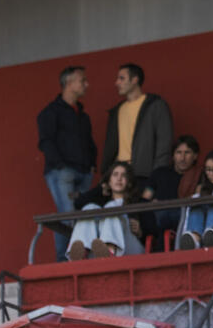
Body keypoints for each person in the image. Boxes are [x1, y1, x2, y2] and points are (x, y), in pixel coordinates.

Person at [38, 64, 97, 260]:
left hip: (84, 172)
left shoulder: (83, 115)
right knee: (67, 215)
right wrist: (60, 166)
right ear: (69, 83)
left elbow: (89, 142)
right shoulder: (51, 112)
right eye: (82, 80)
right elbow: (45, 141)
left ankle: (79, 260)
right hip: (63, 172)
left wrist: (91, 165)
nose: (87, 84)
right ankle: (65, 263)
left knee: (80, 216)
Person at [100, 62, 173, 182]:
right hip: (118, 174)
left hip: (143, 174)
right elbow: (110, 148)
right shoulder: (117, 110)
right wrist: (106, 174)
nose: (117, 83)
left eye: (121, 78)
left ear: (135, 80)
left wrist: (157, 177)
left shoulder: (155, 105)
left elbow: (164, 144)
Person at [67, 162, 143, 259]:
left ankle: (110, 250)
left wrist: (141, 230)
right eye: (115, 175)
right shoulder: (101, 202)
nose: (119, 178)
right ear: (109, 181)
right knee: (90, 207)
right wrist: (101, 187)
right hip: (99, 253)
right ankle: (82, 252)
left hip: (130, 249)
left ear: (129, 182)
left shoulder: (138, 201)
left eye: (123, 175)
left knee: (112, 207)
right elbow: (79, 203)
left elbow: (155, 230)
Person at [145, 134, 201, 244]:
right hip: (157, 220)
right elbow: (145, 198)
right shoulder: (159, 174)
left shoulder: (198, 176)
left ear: (195, 156)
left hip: (185, 220)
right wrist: (152, 205)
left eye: (187, 153)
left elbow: (198, 198)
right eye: (179, 152)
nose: (182, 158)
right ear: (173, 155)